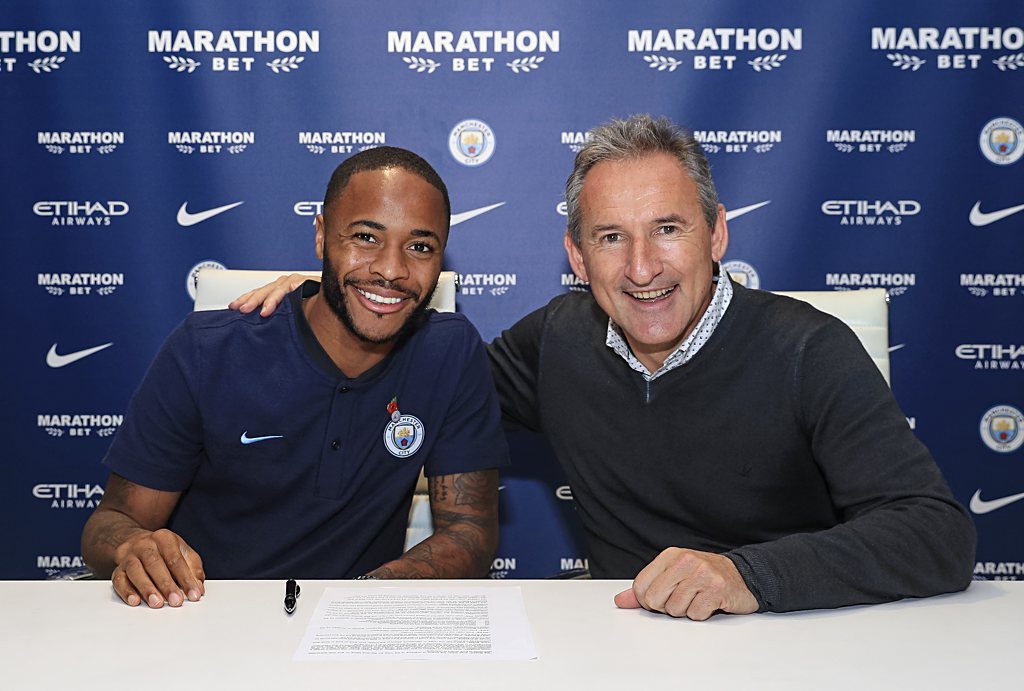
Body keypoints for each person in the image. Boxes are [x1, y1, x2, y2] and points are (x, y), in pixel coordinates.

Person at [233, 116, 976, 620]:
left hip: (787, 646)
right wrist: (324, 303)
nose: (643, 266)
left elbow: (936, 535)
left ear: (717, 234)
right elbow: (427, 388)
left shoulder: (809, 350)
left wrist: (749, 575)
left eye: (669, 229)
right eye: (612, 237)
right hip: (622, 642)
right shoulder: (558, 340)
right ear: (577, 258)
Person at [81, 147, 509, 609]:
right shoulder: (208, 349)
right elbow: (114, 520)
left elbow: (470, 530)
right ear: (323, 237)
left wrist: (362, 602)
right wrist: (132, 548)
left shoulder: (449, 351)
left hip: (350, 640)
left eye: (420, 246)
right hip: (200, 618)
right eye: (366, 237)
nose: (391, 269)